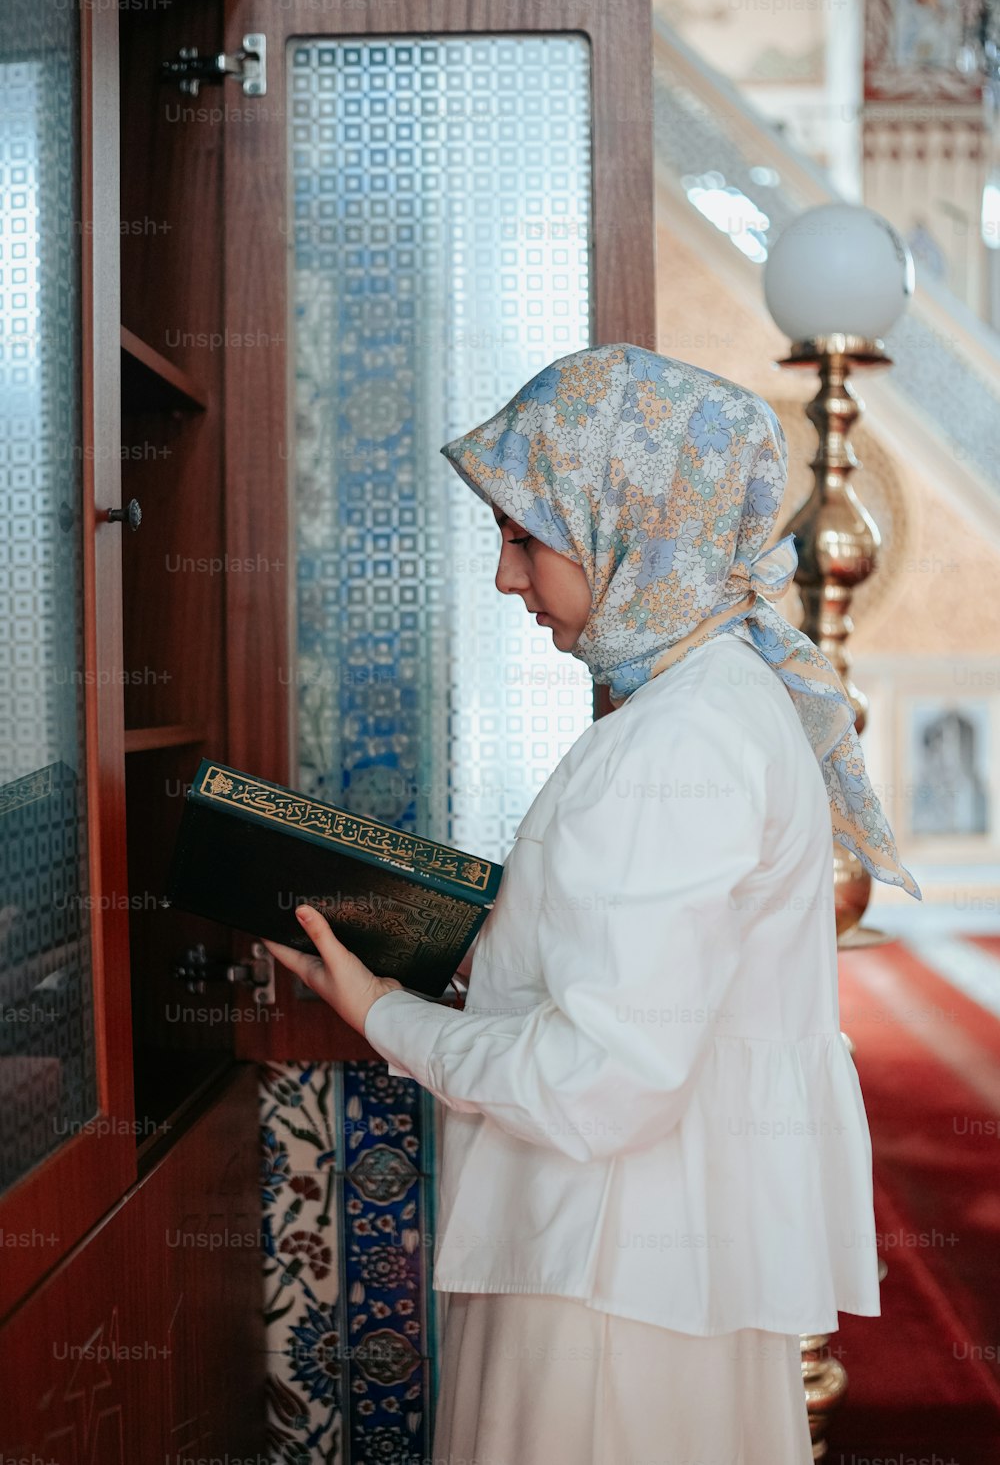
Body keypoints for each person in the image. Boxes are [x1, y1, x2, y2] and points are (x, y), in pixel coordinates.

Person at [263, 343, 922, 1464]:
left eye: (526, 537)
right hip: (655, 1269)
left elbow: (605, 1082)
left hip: (607, 1295)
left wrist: (384, 1015)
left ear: (632, 521)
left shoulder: (680, 736)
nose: (507, 577)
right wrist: (472, 958)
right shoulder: (713, 703)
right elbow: (646, 987)